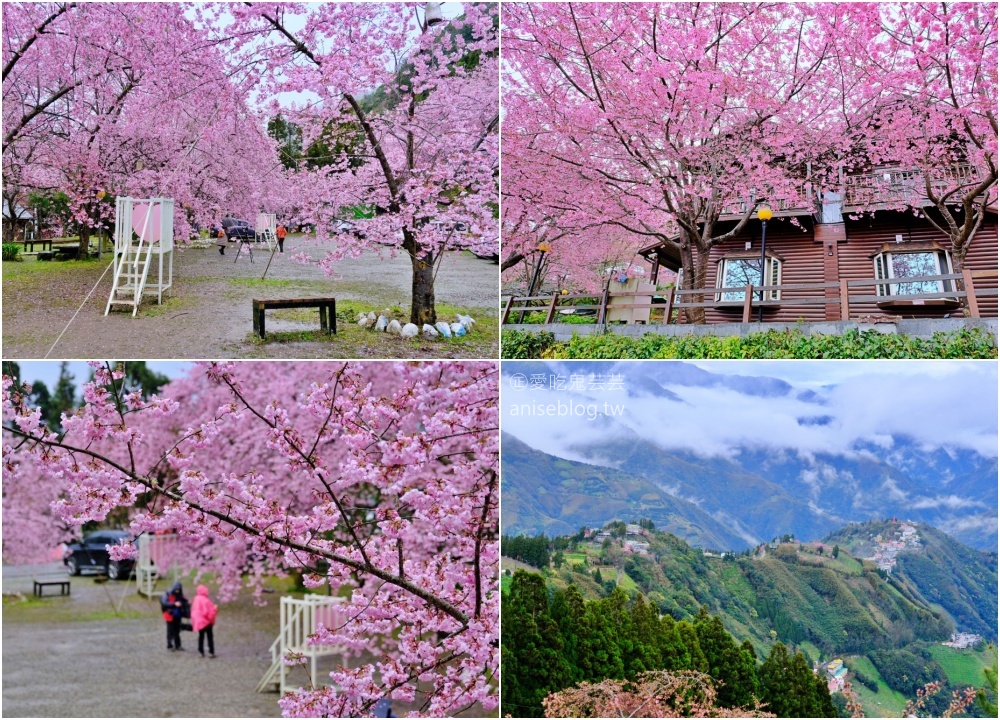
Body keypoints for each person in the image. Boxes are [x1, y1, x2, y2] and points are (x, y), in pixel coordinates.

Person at [190, 584, 218, 658]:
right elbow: (209, 613)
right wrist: (215, 609)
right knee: (209, 636)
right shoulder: (206, 601)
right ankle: (211, 651)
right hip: (206, 622)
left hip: (199, 622)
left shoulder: (196, 599)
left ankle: (200, 651)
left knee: (201, 636)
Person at [160, 582, 189, 651]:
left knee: (177, 631)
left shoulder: (180, 595)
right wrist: (174, 604)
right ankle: (170, 645)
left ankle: (178, 645)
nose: (177, 591)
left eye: (178, 590)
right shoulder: (167, 594)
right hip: (169, 615)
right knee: (170, 631)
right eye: (176, 590)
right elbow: (164, 603)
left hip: (177, 615)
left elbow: (184, 601)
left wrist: (186, 604)